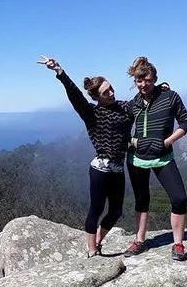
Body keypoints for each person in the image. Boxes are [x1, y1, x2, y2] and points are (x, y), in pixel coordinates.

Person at [37, 55, 133, 257]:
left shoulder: (124, 107)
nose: (112, 93)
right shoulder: (92, 113)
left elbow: (140, 101)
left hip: (118, 168)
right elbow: (75, 96)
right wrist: (59, 71)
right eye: (106, 92)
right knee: (96, 209)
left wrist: (161, 89)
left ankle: (97, 241)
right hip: (100, 169)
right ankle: (91, 250)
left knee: (116, 211)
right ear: (97, 96)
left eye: (112, 88)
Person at [123, 56, 187, 261]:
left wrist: (166, 142)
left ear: (155, 78)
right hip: (136, 159)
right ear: (134, 81)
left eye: (148, 80)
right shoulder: (132, 104)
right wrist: (134, 142)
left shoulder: (170, 97)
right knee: (142, 200)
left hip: (163, 157)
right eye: (139, 80)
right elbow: (122, 133)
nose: (144, 85)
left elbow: (186, 123)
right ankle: (139, 240)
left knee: (179, 198)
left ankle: (178, 244)